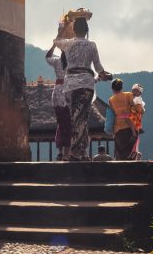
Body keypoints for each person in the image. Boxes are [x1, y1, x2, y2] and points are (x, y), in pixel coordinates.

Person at [56, 8, 110, 162]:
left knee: (75, 117)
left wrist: (66, 24)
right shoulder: (91, 45)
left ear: (74, 30)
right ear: (86, 30)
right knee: (82, 118)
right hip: (86, 84)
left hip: (70, 84)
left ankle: (80, 151)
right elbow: (99, 68)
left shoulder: (67, 44)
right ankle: (77, 151)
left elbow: (56, 41)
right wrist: (105, 76)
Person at [45, 20, 71, 161]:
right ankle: (66, 153)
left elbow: (48, 56)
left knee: (61, 123)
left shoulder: (56, 61)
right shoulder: (72, 62)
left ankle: (61, 151)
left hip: (56, 93)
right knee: (68, 124)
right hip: (68, 93)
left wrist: (55, 43)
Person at [107, 78, 139, 161]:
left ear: (112, 89)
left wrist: (113, 132)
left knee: (120, 154)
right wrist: (134, 132)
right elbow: (135, 110)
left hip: (118, 130)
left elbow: (112, 116)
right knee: (131, 154)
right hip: (129, 128)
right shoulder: (129, 95)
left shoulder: (111, 100)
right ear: (122, 87)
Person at [130, 83, 146, 161]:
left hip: (135, 118)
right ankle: (135, 152)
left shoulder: (139, 100)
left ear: (140, 93)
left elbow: (141, 110)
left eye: (136, 91)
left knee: (135, 134)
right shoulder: (131, 98)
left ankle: (134, 152)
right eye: (133, 91)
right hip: (134, 118)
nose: (134, 92)